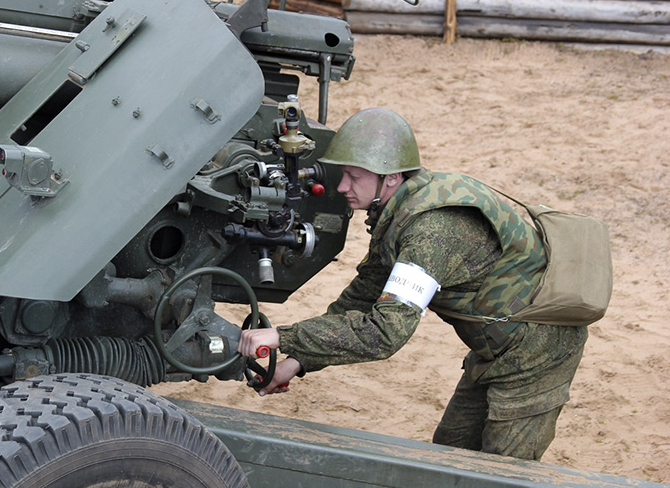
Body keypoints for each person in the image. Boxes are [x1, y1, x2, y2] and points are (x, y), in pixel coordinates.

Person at [237, 107, 588, 460]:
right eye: (343, 174)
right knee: (451, 456)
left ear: (390, 177)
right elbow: (361, 299)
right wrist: (296, 360)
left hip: (537, 353)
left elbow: (385, 333)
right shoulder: (397, 212)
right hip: (496, 349)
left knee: (502, 473)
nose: (342, 187)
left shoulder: (430, 231)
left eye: (354, 176)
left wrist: (284, 336)